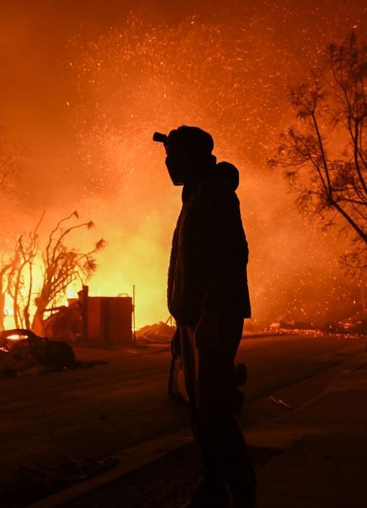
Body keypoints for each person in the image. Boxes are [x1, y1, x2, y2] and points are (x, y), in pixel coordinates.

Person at [154, 126, 256, 508]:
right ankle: (212, 487)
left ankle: (243, 495)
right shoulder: (195, 194)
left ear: (193, 156)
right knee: (202, 411)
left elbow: (232, 254)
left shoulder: (214, 192)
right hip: (194, 320)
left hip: (213, 317)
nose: (167, 163)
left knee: (215, 412)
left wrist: (211, 312)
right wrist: (182, 324)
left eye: (173, 154)